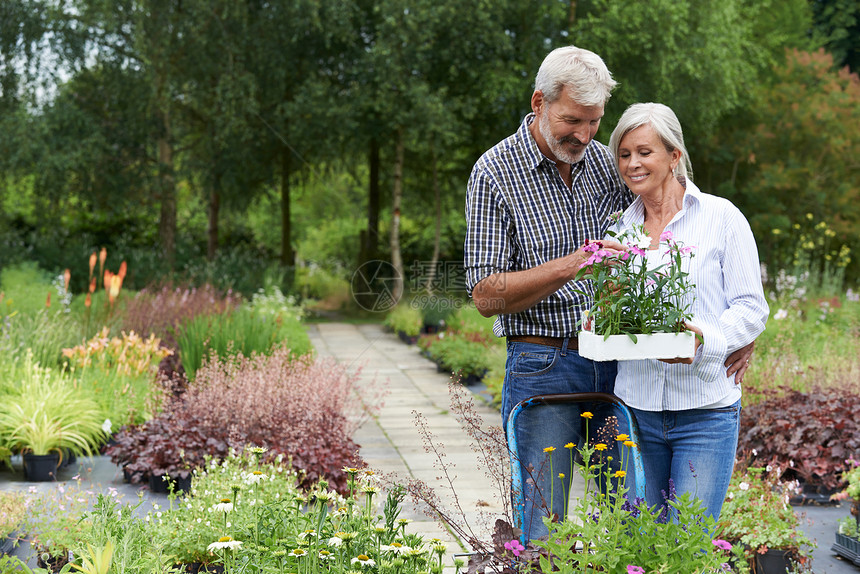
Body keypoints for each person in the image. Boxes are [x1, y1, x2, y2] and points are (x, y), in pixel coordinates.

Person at [464, 46, 755, 540]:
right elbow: (486, 295)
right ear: (539, 102)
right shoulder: (495, 173)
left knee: (632, 527)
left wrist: (733, 330)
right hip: (545, 368)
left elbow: (680, 213)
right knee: (544, 530)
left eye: (594, 122)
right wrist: (574, 265)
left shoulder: (608, 165)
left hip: (624, 374)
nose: (583, 135)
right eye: (572, 120)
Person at [606, 102, 769, 521]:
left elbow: (752, 308)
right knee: (638, 545)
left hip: (705, 413)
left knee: (688, 547)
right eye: (624, 155)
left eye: (644, 152)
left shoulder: (722, 218)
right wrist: (605, 307)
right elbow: (614, 314)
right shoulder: (619, 232)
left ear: (674, 155)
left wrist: (704, 340)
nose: (632, 164)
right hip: (635, 412)